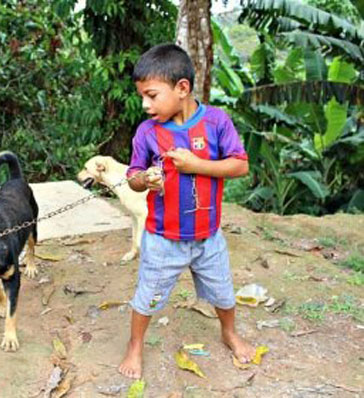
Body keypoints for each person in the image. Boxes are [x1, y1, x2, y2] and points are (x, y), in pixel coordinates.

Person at [119, 43, 255, 379]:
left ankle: (229, 333)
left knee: (223, 291)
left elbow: (240, 166)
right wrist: (143, 179)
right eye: (142, 97)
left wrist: (196, 164)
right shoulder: (147, 133)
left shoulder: (216, 122)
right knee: (146, 295)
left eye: (151, 95)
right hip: (163, 237)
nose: (144, 105)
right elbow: (132, 177)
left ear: (182, 88)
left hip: (208, 237)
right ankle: (135, 345)